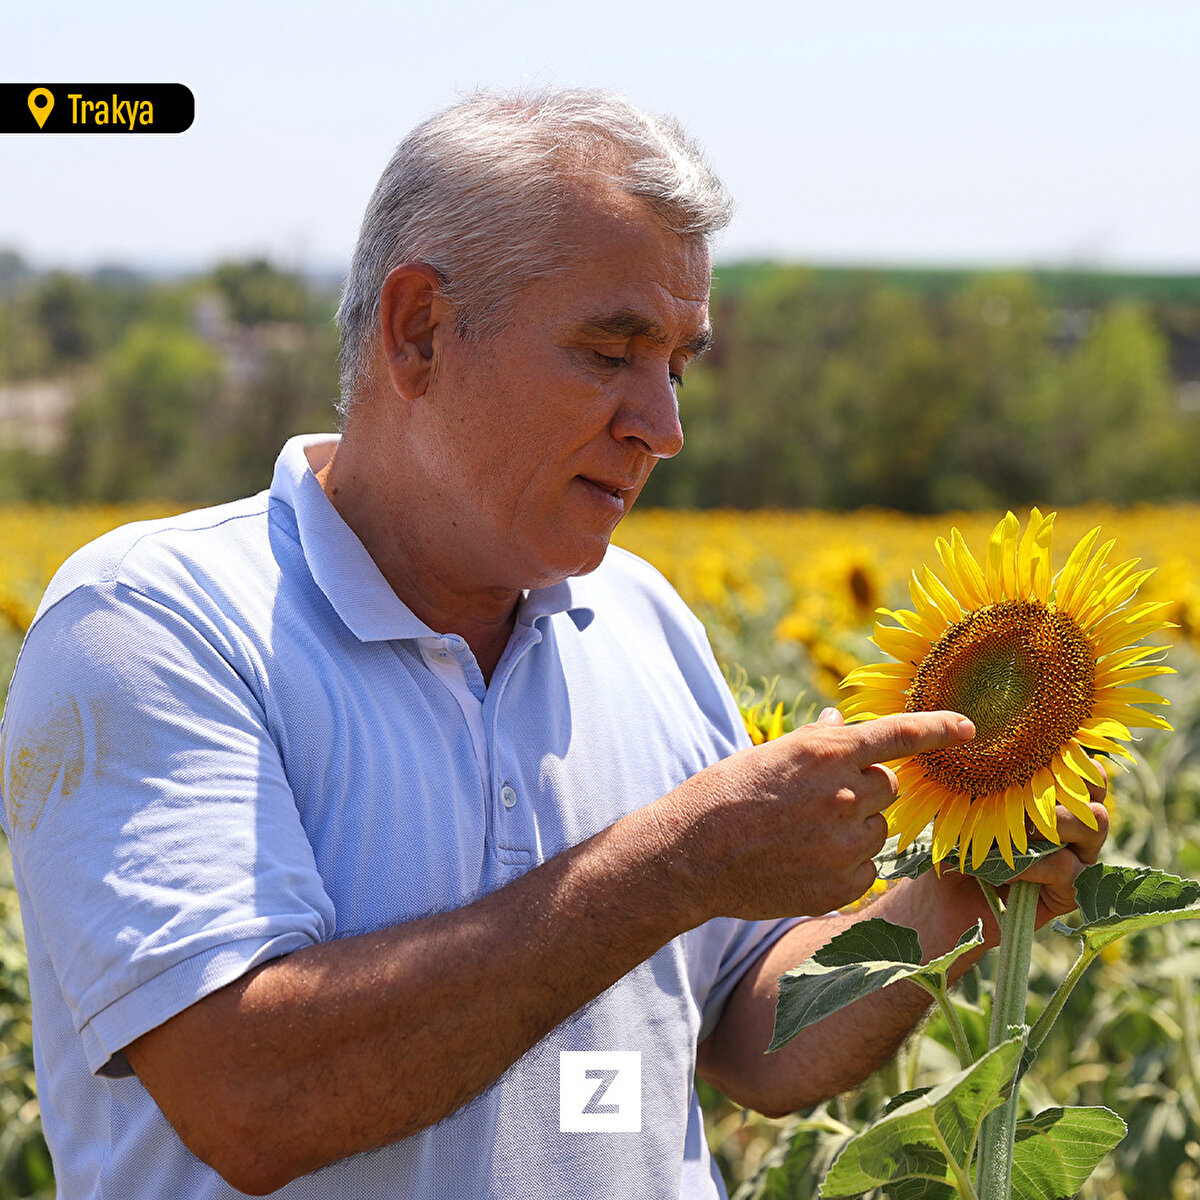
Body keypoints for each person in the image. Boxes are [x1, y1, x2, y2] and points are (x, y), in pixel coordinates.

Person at [0, 87, 1106, 1199]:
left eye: (676, 365)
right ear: (420, 330)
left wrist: (960, 895)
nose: (663, 428)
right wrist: (677, 863)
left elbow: (740, 1029)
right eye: (610, 351)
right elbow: (249, 1095)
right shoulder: (157, 623)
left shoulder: (641, 620)